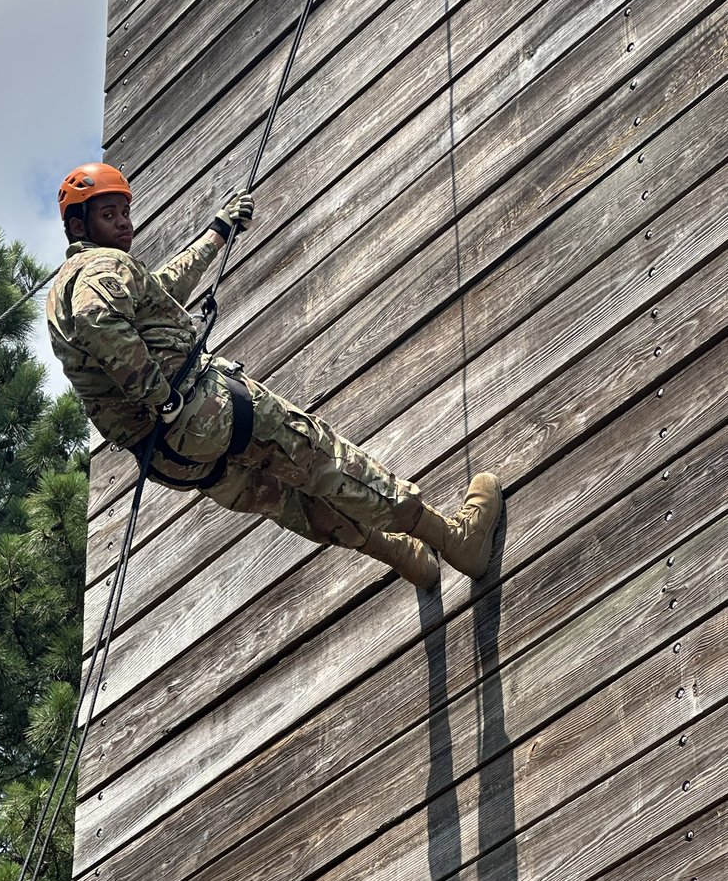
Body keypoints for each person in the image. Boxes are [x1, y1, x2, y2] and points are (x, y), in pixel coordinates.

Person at [46, 162, 502, 589]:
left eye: (125, 212)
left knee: (290, 502)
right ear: (80, 228)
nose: (124, 224)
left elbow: (161, 292)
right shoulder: (96, 268)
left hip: (170, 457)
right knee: (325, 461)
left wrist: (218, 233)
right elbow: (97, 319)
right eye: (109, 215)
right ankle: (454, 539)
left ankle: (407, 558)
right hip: (206, 410)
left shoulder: (67, 294)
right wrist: (161, 396)